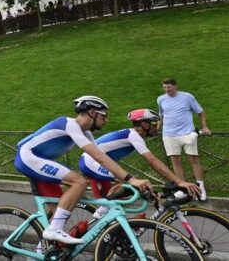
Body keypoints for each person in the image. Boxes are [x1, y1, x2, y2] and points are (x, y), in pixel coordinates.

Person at [14, 96, 152, 245]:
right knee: (78, 182)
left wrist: (128, 180)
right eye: (104, 115)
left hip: (37, 159)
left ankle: (41, 252)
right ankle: (53, 230)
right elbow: (99, 157)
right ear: (92, 112)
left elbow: (103, 160)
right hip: (28, 156)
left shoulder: (86, 133)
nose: (106, 120)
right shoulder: (70, 124)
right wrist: (131, 179)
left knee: (60, 211)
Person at [79, 108, 200, 218]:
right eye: (154, 124)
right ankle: (101, 212)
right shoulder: (133, 135)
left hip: (93, 163)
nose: (157, 128)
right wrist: (180, 181)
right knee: (131, 185)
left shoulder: (131, 134)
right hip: (91, 163)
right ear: (145, 124)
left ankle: (106, 222)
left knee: (124, 194)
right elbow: (152, 160)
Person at [157, 78, 211, 201]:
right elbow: (161, 116)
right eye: (164, 87)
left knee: (193, 158)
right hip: (169, 134)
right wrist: (157, 129)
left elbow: (200, 112)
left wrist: (204, 126)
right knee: (175, 160)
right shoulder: (160, 99)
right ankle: (183, 188)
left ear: (175, 86)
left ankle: (200, 187)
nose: (167, 90)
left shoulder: (187, 97)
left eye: (169, 87)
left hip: (187, 132)